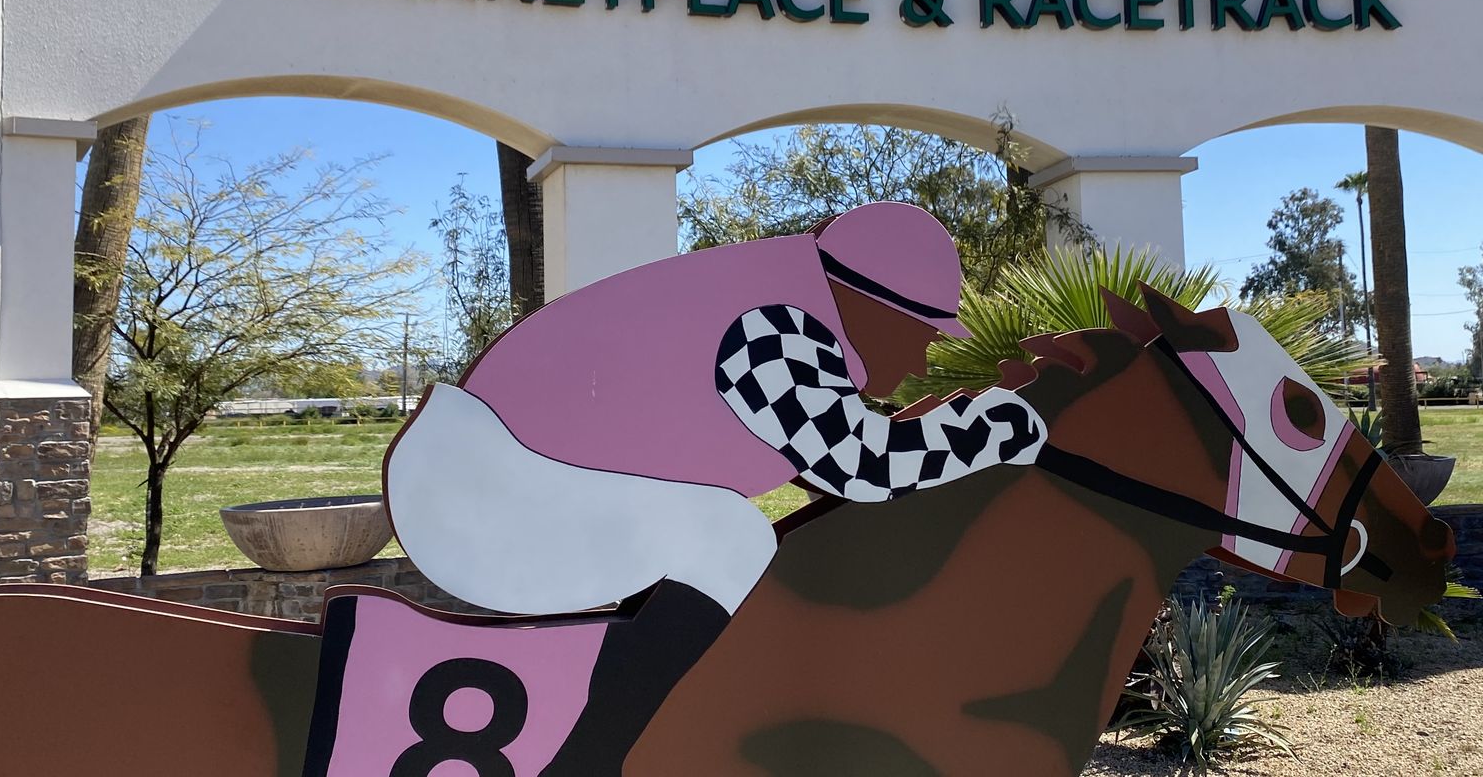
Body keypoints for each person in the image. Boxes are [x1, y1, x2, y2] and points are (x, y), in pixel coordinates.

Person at [385, 202, 1048, 619]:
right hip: (476, 496)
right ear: (876, 307)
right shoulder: (774, 332)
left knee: (716, 533)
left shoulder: (781, 302)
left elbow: (839, 459)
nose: (923, 362)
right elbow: (860, 466)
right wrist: (994, 431)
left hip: (495, 479)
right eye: (922, 336)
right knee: (729, 536)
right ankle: (658, 722)